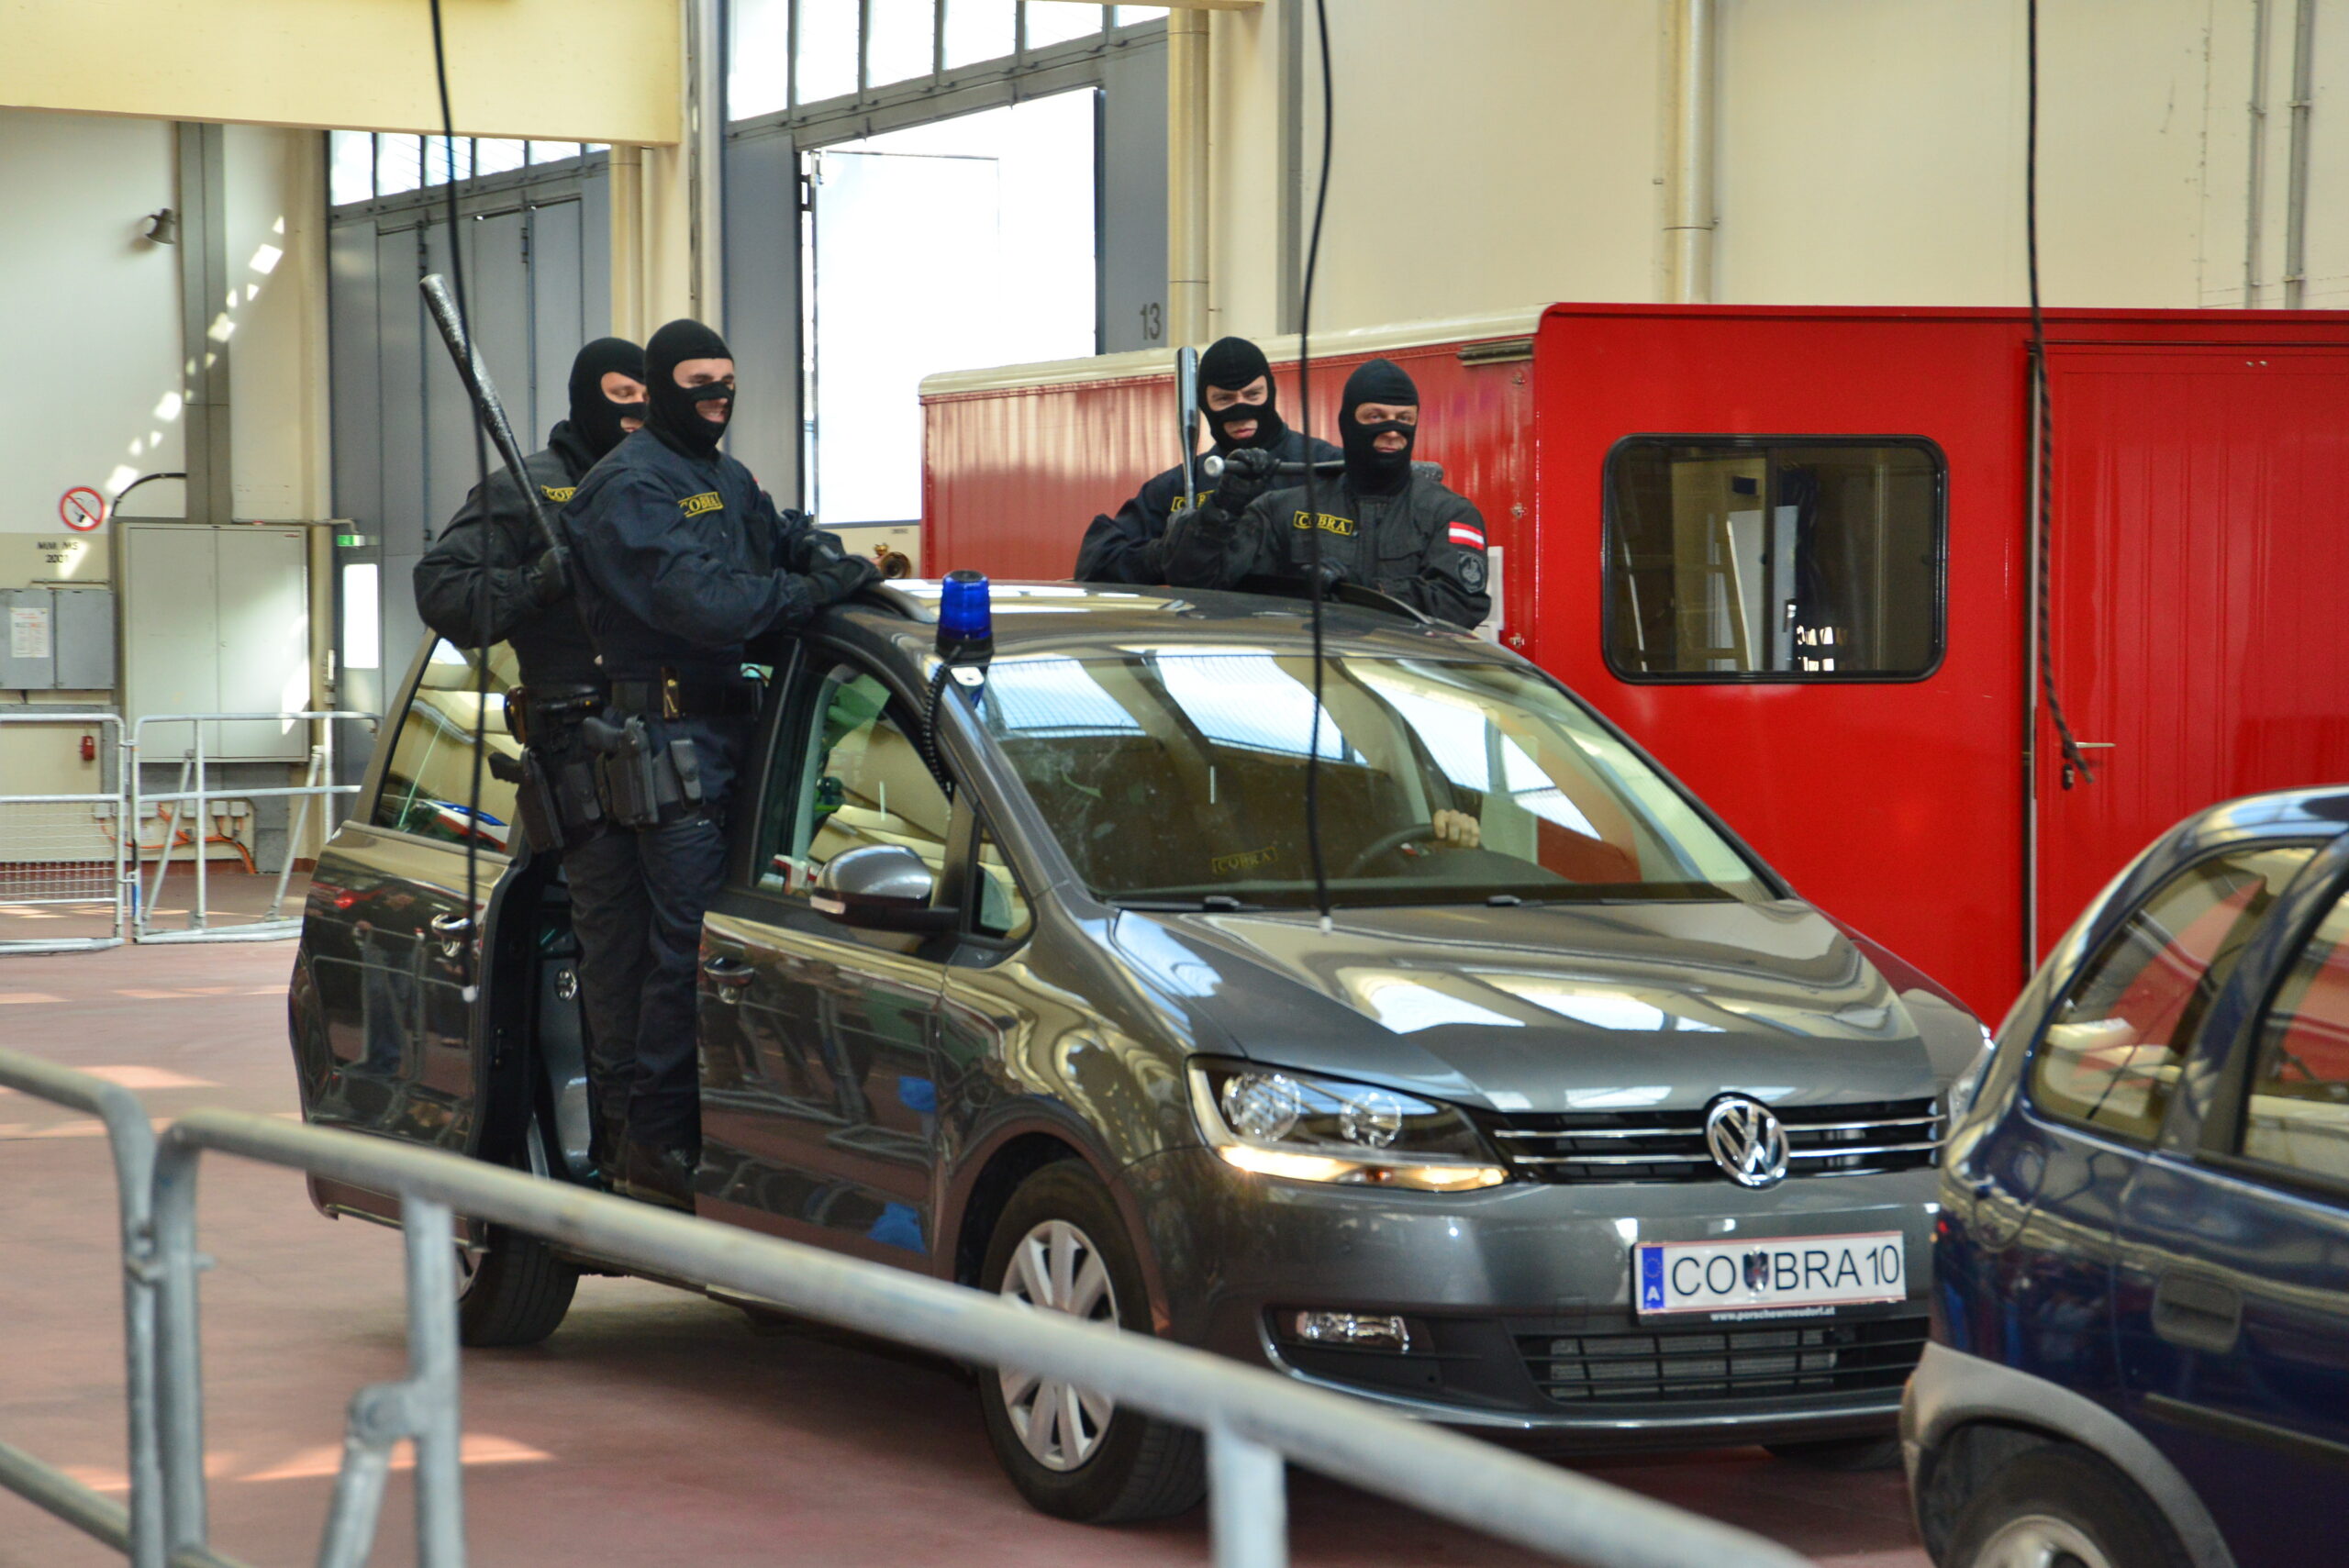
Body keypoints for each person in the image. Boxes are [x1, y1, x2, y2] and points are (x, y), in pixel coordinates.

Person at [561, 317, 877, 1208]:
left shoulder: (724, 476)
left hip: (741, 737)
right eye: (699, 385)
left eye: (726, 383)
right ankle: (656, 1153)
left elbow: (776, 534)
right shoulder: (626, 487)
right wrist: (812, 591)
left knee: (731, 945)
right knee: (688, 949)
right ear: (660, 390)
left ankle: (717, 1139)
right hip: (666, 744)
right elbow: (702, 604)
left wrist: (820, 557)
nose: (716, 398)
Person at [412, 337, 645, 1176]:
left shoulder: (667, 484)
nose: (634, 415)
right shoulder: (526, 488)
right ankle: (619, 1155)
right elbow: (442, 587)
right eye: (620, 398)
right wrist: (537, 582)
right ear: (588, 398)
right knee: (608, 956)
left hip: (672, 763)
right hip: (577, 760)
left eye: (645, 399)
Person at [1161, 357, 1491, 631]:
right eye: (1375, 417)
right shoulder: (1286, 510)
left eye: (1404, 419)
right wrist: (1225, 506)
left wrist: (1368, 592)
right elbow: (1197, 582)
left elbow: (1461, 604)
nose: (1392, 430)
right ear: (1348, 423)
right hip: (1307, 683)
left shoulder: (1449, 514)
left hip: (1408, 686)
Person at [1072, 336, 1341, 585]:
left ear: (1270, 391)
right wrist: (1174, 550)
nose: (1240, 408)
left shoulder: (1323, 468)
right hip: (1209, 630)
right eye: (1224, 399)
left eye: (1252, 395)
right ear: (1204, 402)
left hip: (1296, 632)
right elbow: (1096, 562)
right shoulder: (1180, 487)